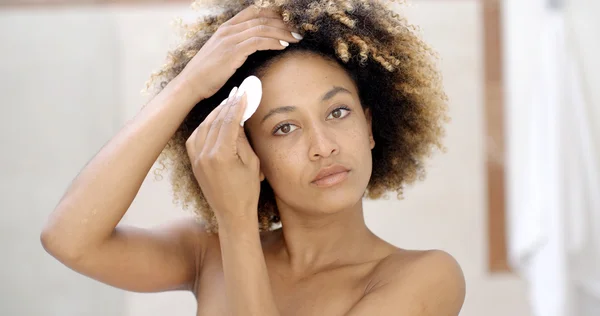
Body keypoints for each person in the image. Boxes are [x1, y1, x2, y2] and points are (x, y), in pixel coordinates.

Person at [41, 0, 465, 315]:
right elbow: (69, 239)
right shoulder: (206, 252)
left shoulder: (425, 277)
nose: (323, 145)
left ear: (370, 127)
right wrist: (189, 86)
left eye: (337, 112)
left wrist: (237, 223)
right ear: (249, 154)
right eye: (285, 127)